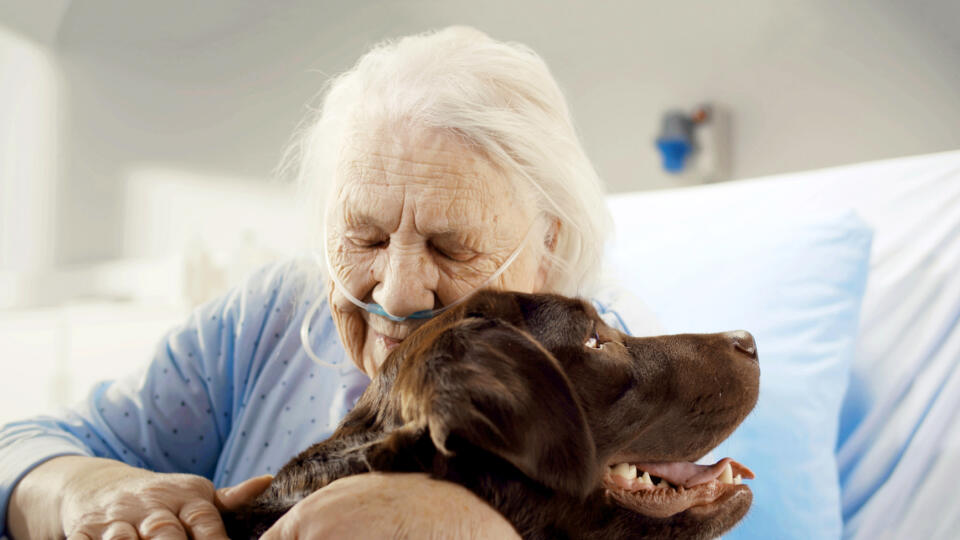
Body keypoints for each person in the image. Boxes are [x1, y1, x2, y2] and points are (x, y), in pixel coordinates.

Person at [1, 26, 655, 538]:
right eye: (364, 239)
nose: (396, 292)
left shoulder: (597, 369)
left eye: (450, 246)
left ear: (550, 245)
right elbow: (25, 447)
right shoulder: (268, 320)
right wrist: (81, 490)